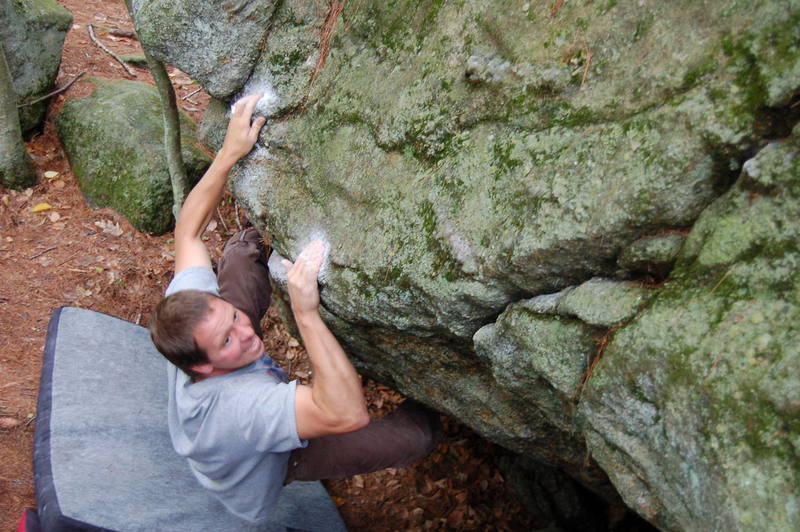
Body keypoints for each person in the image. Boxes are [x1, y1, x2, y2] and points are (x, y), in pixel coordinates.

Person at [149, 94, 439, 523]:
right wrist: (306, 313)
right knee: (414, 438)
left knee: (242, 262)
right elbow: (344, 413)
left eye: (231, 318)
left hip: (231, 402)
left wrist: (228, 154)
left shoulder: (190, 318)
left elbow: (188, 232)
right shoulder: (241, 411)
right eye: (227, 339)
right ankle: (431, 411)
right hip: (271, 462)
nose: (246, 331)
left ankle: (251, 243)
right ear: (204, 369)